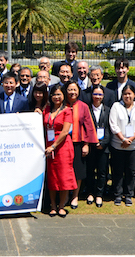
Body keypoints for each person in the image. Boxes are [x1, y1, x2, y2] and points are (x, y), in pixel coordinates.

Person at [109, 84, 135, 207]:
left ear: (134, 95)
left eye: (130, 94)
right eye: (125, 94)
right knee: (117, 171)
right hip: (118, 145)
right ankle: (117, 194)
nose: (127, 96)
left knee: (131, 171)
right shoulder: (116, 106)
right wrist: (123, 139)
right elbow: (113, 125)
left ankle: (129, 194)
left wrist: (129, 139)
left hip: (134, 145)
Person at [42, 84, 75, 216]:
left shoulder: (67, 110)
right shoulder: (47, 109)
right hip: (48, 146)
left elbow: (65, 131)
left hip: (62, 147)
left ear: (63, 96)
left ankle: (62, 205)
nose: (56, 97)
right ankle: (53, 205)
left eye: (59, 94)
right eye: (54, 94)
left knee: (63, 177)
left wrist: (53, 146)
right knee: (52, 176)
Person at [64, 82, 98, 208]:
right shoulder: (62, 105)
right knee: (65, 170)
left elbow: (88, 126)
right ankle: (65, 195)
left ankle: (75, 196)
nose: (72, 92)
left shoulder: (83, 106)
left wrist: (86, 144)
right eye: (70, 89)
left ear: (78, 91)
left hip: (78, 143)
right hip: (64, 143)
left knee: (78, 171)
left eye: (75, 89)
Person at [83, 85, 111, 207]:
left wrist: (103, 143)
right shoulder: (87, 109)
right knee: (90, 171)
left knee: (102, 171)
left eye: (100, 94)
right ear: (91, 95)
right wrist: (91, 142)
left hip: (103, 146)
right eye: (95, 94)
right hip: (91, 145)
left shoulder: (108, 110)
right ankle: (90, 193)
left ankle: (99, 194)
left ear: (103, 96)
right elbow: (84, 128)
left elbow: (110, 129)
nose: (97, 97)